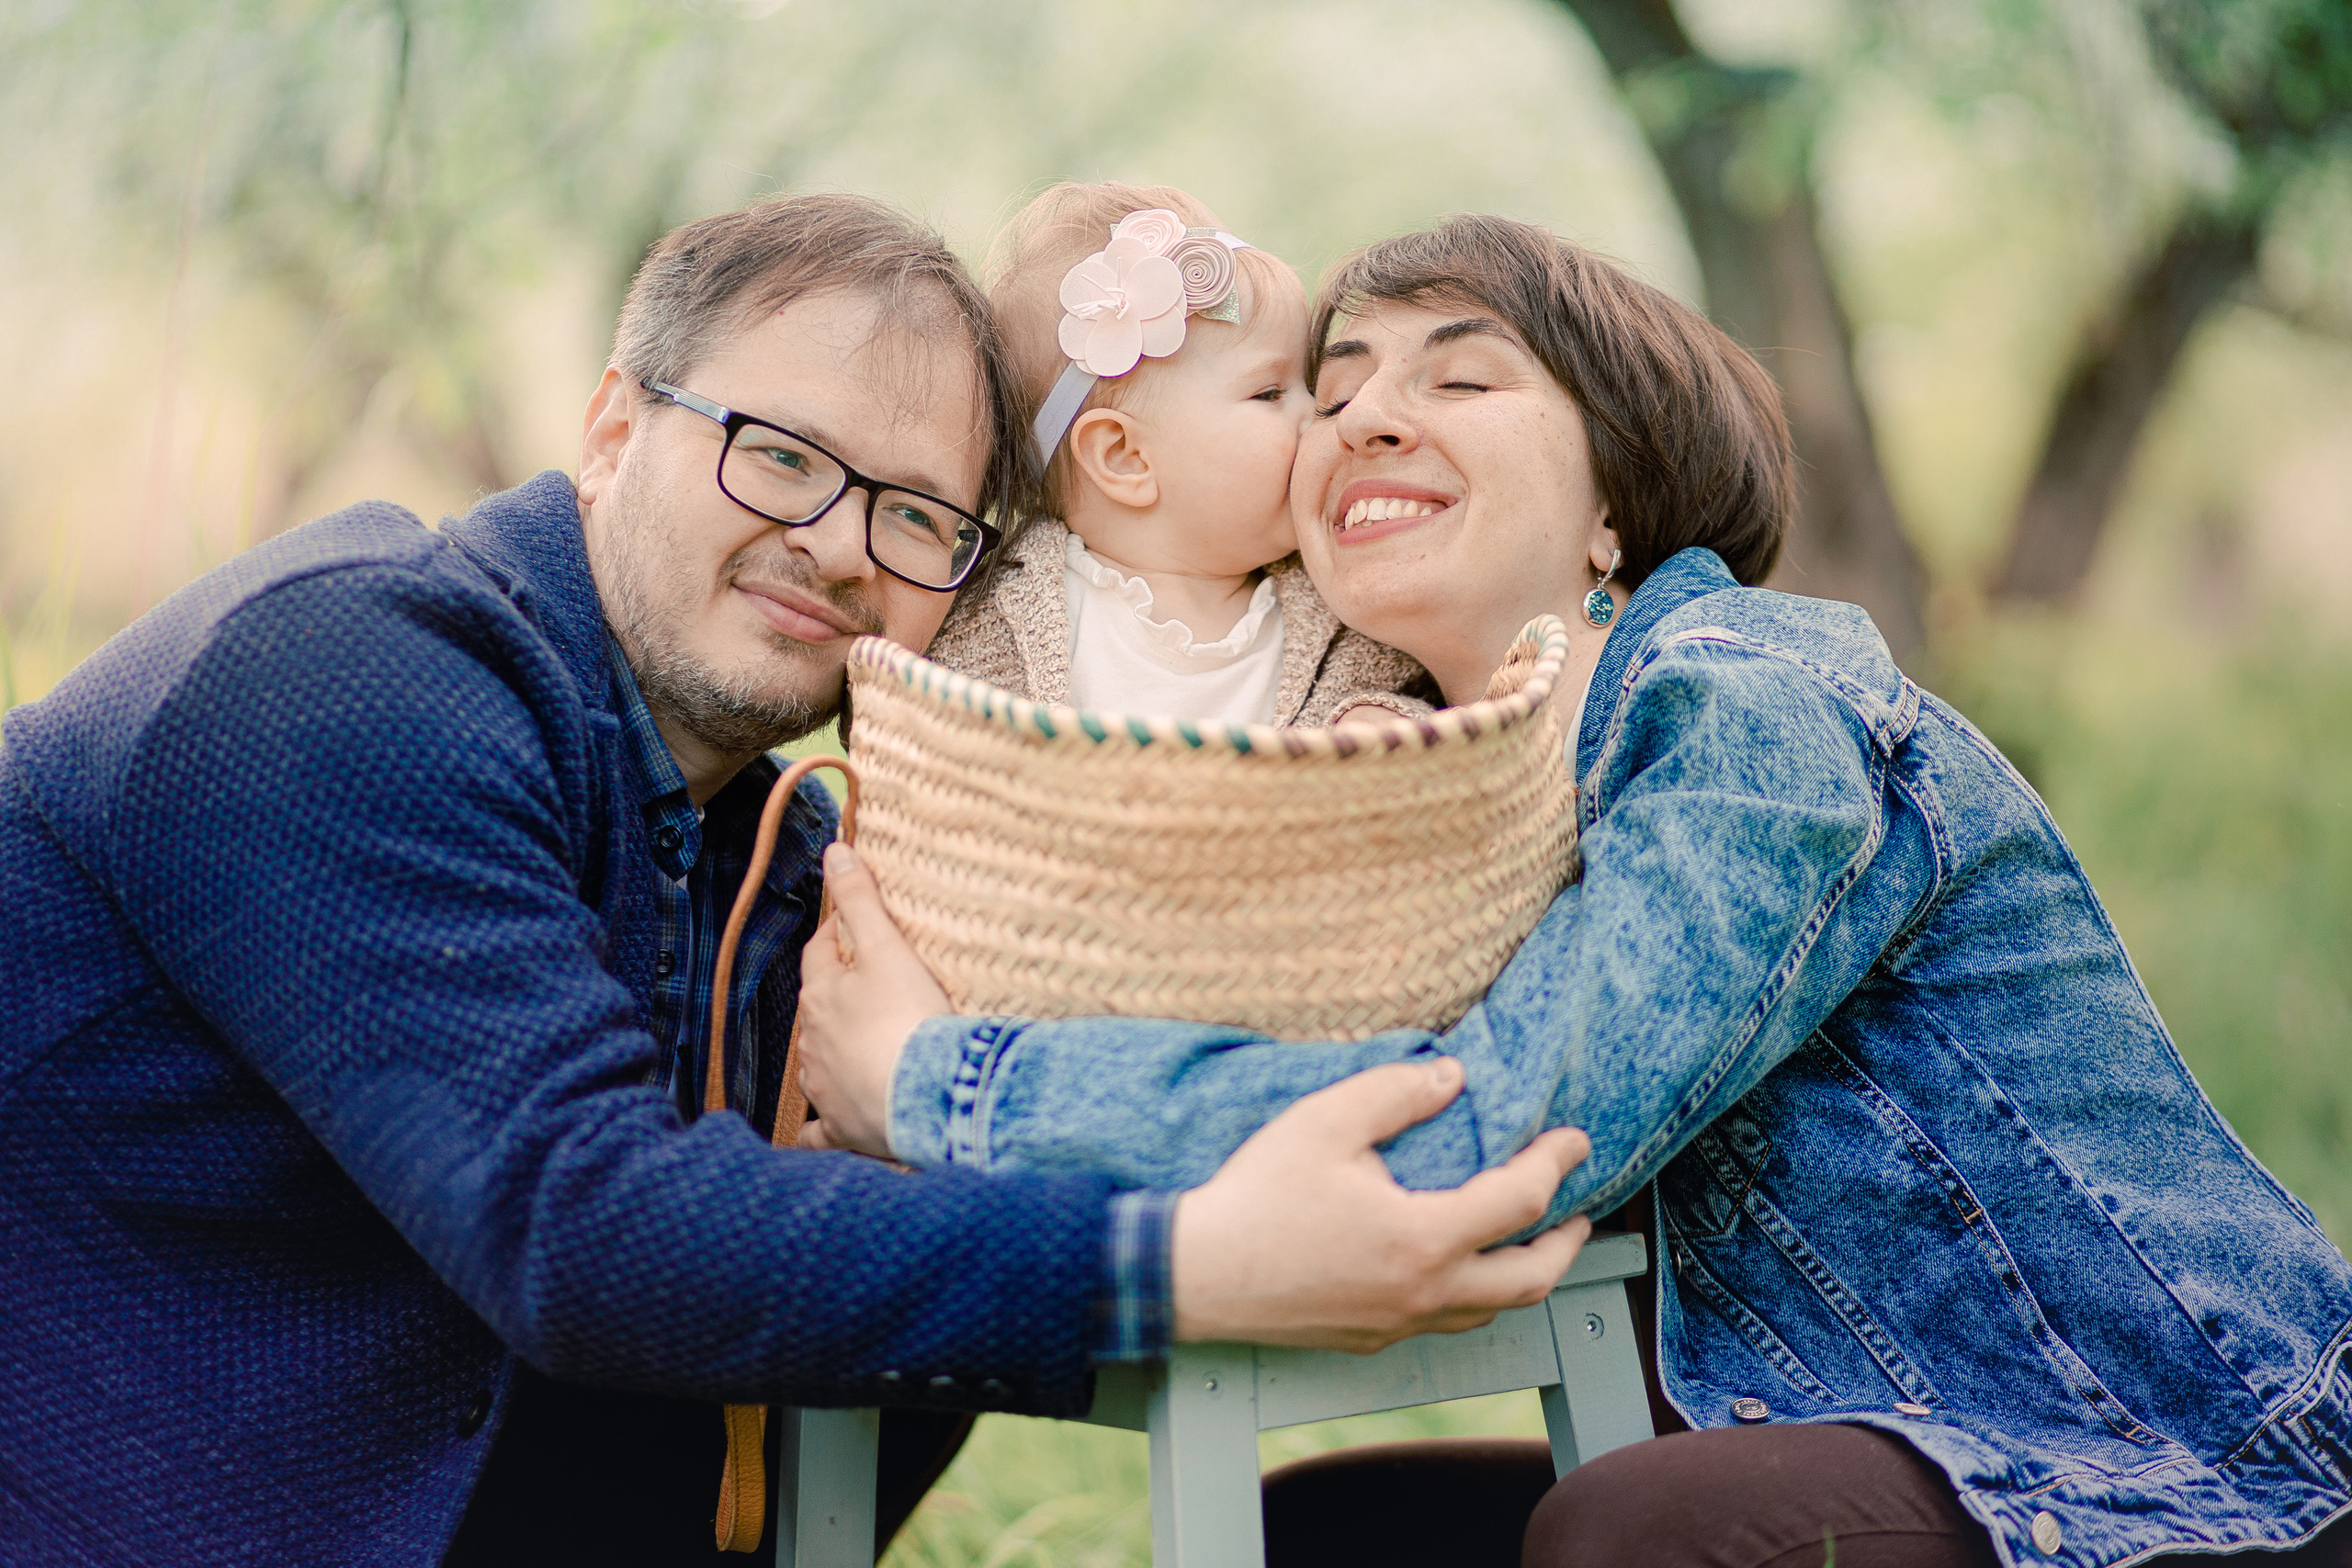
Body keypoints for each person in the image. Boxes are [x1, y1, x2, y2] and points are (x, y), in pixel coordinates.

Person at [0, 194, 1596, 1568]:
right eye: (781, 459)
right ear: (614, 426)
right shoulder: (343, 672)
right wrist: (1186, 1260)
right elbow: (585, 1228)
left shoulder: (789, 853)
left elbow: (870, 1254)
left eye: (918, 519)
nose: (841, 548)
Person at [796, 214, 2352, 1566]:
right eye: (1327, 394)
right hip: (1836, 1411)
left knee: (1633, 1537)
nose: (1366, 423)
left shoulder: (1753, 710)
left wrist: (943, 1079)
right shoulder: (1449, 804)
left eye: (1459, 378)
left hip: (2171, 1461)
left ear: (1614, 499)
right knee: (1323, 1534)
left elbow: (1478, 1134)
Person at [926, 180, 1430, 725]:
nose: (1322, 417)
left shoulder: (1341, 612)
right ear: (1124, 457)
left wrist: (1379, 720)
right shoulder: (999, 630)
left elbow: (1423, 693)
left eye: (1310, 385)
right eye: (1270, 393)